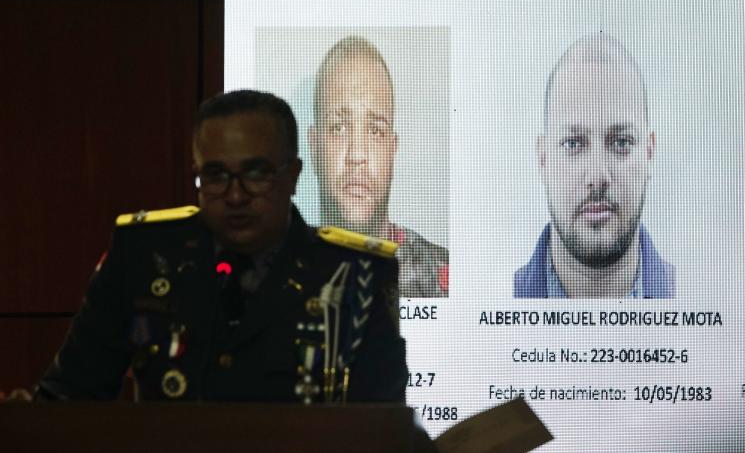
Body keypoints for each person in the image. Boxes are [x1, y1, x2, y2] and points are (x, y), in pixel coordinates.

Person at [36, 90, 407, 402]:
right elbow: (70, 395)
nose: (235, 195)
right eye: (215, 176)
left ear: (293, 176)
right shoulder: (143, 256)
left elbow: (381, 424)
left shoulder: (357, 273)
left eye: (255, 173)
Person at [514, 33, 675, 298]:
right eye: (573, 144)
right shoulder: (491, 303)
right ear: (542, 159)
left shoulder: (706, 296)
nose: (598, 175)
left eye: (621, 142)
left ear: (649, 153)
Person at [309, 36, 449, 298]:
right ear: (314, 148)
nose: (358, 154)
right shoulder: (271, 280)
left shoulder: (444, 279)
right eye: (338, 128)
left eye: (375, 130)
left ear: (393, 150)